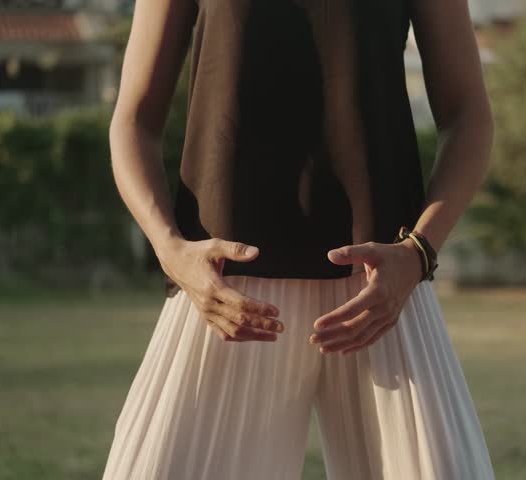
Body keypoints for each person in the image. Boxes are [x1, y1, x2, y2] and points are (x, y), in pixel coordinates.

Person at [101, 0, 496, 477]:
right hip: (224, 293)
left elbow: (469, 114)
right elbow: (133, 121)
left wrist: (417, 254)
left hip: (381, 292)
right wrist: (171, 251)